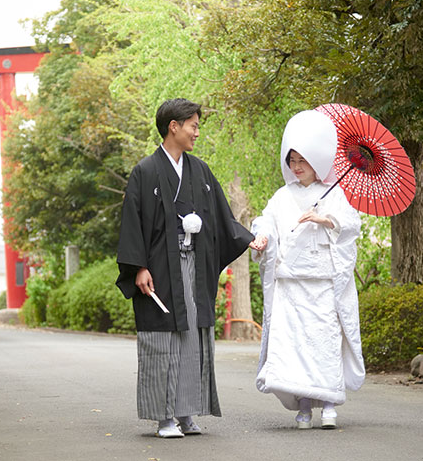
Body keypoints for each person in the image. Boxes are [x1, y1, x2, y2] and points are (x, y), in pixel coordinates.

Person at [116, 98, 259, 438]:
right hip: (161, 267)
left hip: (194, 267)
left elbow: (222, 217)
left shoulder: (201, 171)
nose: (197, 132)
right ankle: (164, 417)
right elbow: (132, 224)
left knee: (193, 336)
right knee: (162, 338)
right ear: (173, 127)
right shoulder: (146, 171)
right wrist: (138, 267)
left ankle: (187, 412)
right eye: (193, 125)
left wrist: (246, 237)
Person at [250, 109, 365, 430]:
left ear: (317, 160)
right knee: (294, 347)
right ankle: (303, 407)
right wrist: (260, 237)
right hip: (290, 285)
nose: (296, 167)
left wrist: (324, 219)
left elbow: (351, 225)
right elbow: (266, 221)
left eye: (303, 160)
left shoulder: (334, 195)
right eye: (292, 160)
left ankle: (328, 403)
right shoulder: (282, 196)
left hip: (322, 285)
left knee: (324, 342)